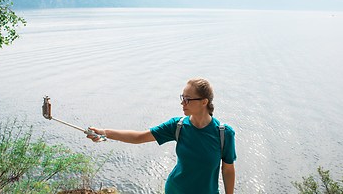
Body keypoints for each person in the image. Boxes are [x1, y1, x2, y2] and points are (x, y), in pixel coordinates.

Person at [88, 78, 236, 194]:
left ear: (204, 102)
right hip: (175, 190)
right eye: (182, 97)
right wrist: (104, 132)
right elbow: (139, 137)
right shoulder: (177, 126)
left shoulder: (224, 134)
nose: (182, 103)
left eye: (187, 99)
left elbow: (228, 170)